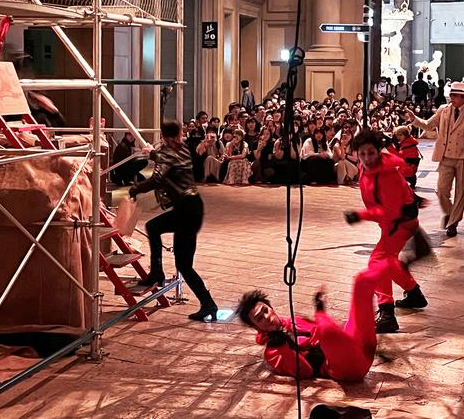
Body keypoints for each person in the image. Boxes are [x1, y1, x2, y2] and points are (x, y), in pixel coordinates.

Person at [130, 120, 217, 322]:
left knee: (155, 230)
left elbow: (157, 178)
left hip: (185, 209)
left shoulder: (169, 151)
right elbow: (167, 159)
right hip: (192, 207)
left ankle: (158, 273)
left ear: (164, 136)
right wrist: (152, 154)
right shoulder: (183, 148)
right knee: (182, 262)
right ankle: (207, 303)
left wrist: (136, 188)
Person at [344, 131, 428, 334]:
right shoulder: (367, 167)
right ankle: (414, 294)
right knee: (388, 262)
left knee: (378, 262)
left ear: (378, 152)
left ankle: (386, 313)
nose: (366, 158)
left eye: (370, 153)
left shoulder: (387, 174)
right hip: (393, 224)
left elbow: (390, 212)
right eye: (362, 154)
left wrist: (361, 215)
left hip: (400, 224)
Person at [237, 273, 380, 382]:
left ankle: (395, 265)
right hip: (344, 369)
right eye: (259, 318)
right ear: (256, 327)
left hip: (358, 352)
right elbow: (305, 372)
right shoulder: (272, 353)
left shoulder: (294, 320)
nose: (266, 317)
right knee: (328, 331)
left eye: (266, 311)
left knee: (362, 282)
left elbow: (325, 331)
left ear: (271, 308)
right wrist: (282, 347)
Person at [405, 82, 464, 238]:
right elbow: (428, 125)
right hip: (445, 156)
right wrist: (414, 119)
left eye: (455, 95)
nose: (451, 98)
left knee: (461, 193)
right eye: (451, 95)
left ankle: (453, 223)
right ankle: (450, 213)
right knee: (441, 190)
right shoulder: (443, 110)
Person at [387, 125, 421, 189]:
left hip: (407, 171)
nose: (398, 137)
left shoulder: (408, 145)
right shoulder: (409, 142)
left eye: (400, 135)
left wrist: (389, 147)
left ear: (406, 135)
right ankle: (412, 180)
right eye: (397, 135)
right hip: (411, 169)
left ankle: (408, 179)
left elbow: (398, 157)